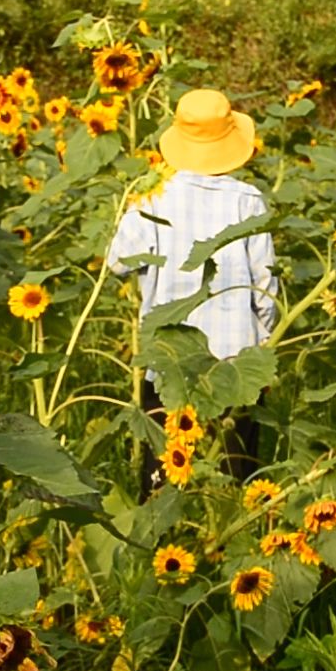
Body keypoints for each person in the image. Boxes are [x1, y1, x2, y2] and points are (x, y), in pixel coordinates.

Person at [105, 88, 278, 497]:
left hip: (170, 357)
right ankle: (231, 546)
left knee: (165, 471)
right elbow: (265, 290)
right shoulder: (248, 202)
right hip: (236, 359)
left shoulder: (152, 197)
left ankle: (161, 544)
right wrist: (265, 343)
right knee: (236, 473)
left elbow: (116, 264)